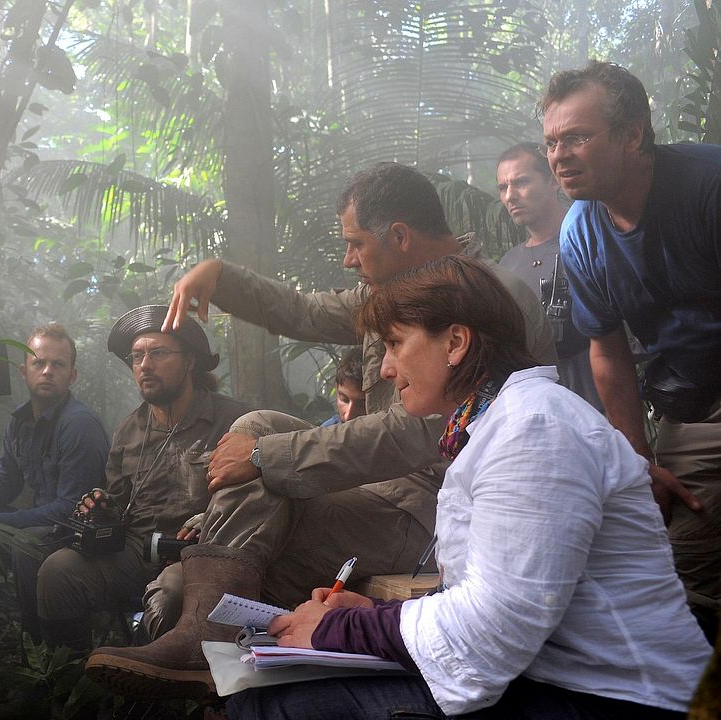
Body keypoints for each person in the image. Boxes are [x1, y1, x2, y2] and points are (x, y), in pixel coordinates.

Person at [85, 163, 556, 697]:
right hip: (377, 492)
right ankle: (206, 639)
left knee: (177, 584)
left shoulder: (480, 298)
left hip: (432, 507)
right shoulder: (403, 289)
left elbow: (413, 434)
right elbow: (305, 311)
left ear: (399, 236)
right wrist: (221, 278)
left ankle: (208, 644)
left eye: (356, 244)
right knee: (255, 426)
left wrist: (266, 458)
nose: (348, 260)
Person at [228, 255, 711, 719]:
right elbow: (498, 597)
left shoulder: (533, 429)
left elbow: (495, 629)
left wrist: (344, 626)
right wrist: (378, 612)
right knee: (267, 689)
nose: (385, 369)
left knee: (275, 704)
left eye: (396, 343)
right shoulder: (501, 425)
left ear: (456, 342)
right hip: (558, 681)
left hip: (621, 700)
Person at [541, 60, 720, 636]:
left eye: (577, 137)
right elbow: (607, 350)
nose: (559, 154)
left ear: (633, 134)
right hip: (690, 406)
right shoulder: (581, 232)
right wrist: (637, 463)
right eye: (551, 142)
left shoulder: (708, 187)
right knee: (687, 578)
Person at [34, 305, 250, 650]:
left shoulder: (235, 421)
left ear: (190, 361)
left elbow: (258, 499)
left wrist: (209, 522)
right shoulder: (129, 431)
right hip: (137, 553)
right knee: (57, 572)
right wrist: (102, 508)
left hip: (201, 555)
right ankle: (74, 682)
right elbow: (119, 504)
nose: (145, 366)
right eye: (137, 357)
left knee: (169, 595)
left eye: (158, 353)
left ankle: (150, 684)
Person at [0, 323, 109, 643]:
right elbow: (5, 478)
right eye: (39, 363)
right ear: (24, 371)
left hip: (84, 535)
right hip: (46, 526)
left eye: (58, 365)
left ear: (72, 376)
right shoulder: (21, 422)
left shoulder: (79, 424)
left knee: (26, 544)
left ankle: (42, 650)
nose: (47, 371)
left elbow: (71, 510)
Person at [495, 142, 602, 410]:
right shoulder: (508, 264)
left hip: (600, 404)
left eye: (521, 182)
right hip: (537, 410)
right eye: (502, 187)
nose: (510, 196)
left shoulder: (592, 238)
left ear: (553, 181)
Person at [320, 346, 367, 427]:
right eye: (344, 399)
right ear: (336, 388)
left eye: (362, 404)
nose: (348, 416)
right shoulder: (327, 431)